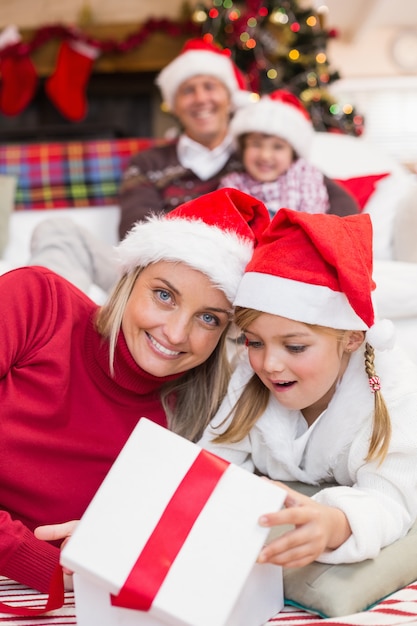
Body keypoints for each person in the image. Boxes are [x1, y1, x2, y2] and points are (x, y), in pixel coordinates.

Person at [0, 188, 270, 595]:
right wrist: (36, 561)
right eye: (164, 296)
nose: (176, 334)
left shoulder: (203, 419)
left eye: (209, 318)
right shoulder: (34, 300)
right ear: (128, 279)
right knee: (59, 245)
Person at [199, 208, 417, 569]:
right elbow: (210, 462)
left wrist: (335, 523)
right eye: (254, 343)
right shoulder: (246, 381)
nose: (269, 364)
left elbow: (391, 500)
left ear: (351, 339)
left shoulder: (396, 396)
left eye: (295, 347)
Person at [29, 37, 253, 296]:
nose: (201, 98)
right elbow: (136, 232)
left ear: (229, 97)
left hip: (233, 286)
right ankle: (45, 323)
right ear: (174, 105)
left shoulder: (256, 158)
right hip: (152, 280)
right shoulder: (147, 162)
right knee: (56, 230)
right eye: (188, 90)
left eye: (210, 86)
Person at [219, 89, 359, 218]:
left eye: (278, 147)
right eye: (256, 144)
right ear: (243, 148)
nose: (265, 155)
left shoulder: (306, 177)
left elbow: (315, 223)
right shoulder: (232, 185)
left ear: (293, 154)